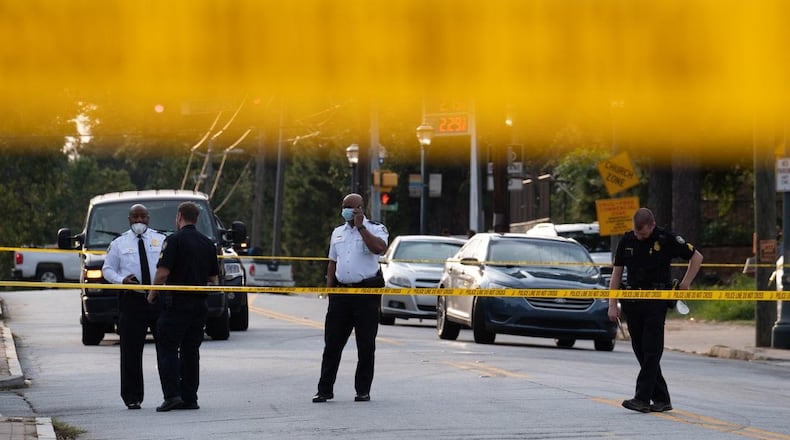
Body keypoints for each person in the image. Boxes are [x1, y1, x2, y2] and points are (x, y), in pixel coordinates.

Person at [608, 207, 703, 413]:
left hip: (656, 301)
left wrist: (686, 283)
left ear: (652, 226)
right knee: (640, 350)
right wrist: (612, 304)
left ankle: (642, 398)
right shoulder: (627, 240)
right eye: (636, 233)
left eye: (643, 234)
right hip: (633, 301)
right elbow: (616, 274)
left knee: (652, 349)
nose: (639, 237)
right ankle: (661, 398)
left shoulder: (666, 239)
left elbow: (697, 257)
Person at [312, 193, 389, 403]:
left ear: (361, 208)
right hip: (341, 295)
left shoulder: (376, 229)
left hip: (365, 295)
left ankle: (362, 390)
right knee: (332, 344)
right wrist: (330, 292)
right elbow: (332, 263)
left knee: (365, 345)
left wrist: (361, 227)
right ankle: (324, 390)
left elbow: (379, 249)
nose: (346, 210)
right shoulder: (338, 232)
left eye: (351, 207)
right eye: (344, 206)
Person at [147, 202, 219, 412]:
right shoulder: (207, 243)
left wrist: (152, 293)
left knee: (168, 349)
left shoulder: (174, 240)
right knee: (191, 351)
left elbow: (162, 273)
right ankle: (190, 397)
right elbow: (213, 278)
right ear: (196, 218)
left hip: (176, 304)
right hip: (199, 305)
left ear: (179, 216)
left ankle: (172, 395)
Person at [102, 204, 166, 410]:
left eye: (143, 216)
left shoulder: (161, 240)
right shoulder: (119, 243)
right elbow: (107, 270)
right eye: (135, 217)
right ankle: (132, 397)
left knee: (166, 348)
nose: (139, 221)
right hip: (132, 300)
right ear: (129, 219)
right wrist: (121, 280)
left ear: (148, 218)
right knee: (131, 350)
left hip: (158, 299)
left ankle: (171, 394)